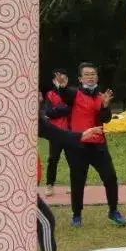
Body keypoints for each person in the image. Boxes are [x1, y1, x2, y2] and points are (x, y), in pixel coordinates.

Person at [37, 110, 104, 251]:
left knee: (45, 220)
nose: (39, 98)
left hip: (19, 186)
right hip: (14, 187)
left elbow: (53, 132)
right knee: (45, 221)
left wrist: (81, 135)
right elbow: (52, 131)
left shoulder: (31, 117)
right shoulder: (22, 114)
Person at [59, 62, 126, 228]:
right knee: (77, 181)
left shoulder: (101, 96)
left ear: (97, 77)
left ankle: (113, 211)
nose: (90, 77)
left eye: (93, 74)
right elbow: (65, 95)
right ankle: (77, 215)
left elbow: (106, 119)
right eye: (87, 74)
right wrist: (62, 87)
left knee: (110, 177)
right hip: (78, 146)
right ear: (80, 78)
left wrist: (105, 106)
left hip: (98, 145)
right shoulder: (74, 94)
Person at [43, 68, 72, 197]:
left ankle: (74, 184)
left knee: (72, 159)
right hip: (55, 132)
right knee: (53, 159)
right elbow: (49, 112)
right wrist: (63, 109)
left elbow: (71, 109)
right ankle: (49, 185)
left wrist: (58, 109)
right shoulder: (50, 94)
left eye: (63, 78)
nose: (61, 81)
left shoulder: (71, 94)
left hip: (70, 131)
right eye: (58, 79)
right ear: (54, 80)